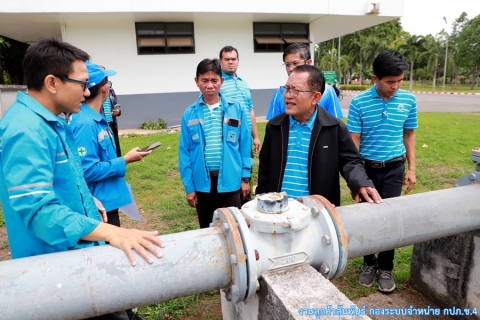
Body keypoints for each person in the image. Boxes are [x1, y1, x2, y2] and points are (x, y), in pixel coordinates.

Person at [0, 37, 164, 319]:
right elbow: (40, 212)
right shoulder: (25, 130)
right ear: (52, 83)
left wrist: (88, 201)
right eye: (82, 84)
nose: (87, 93)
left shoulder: (51, 121)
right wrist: (114, 231)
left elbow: (65, 180)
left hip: (78, 256)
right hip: (56, 271)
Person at [256, 64, 381, 207]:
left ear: (315, 97)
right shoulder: (275, 126)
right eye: (287, 89)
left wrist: (360, 182)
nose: (288, 95)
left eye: (295, 90)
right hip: (279, 209)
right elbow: (265, 170)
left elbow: (350, 161)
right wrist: (261, 200)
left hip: (317, 210)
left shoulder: (334, 128)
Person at [347, 50, 417, 293]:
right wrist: (354, 178)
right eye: (390, 82)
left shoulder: (409, 100)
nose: (395, 86)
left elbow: (409, 133)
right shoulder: (359, 102)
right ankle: (369, 263)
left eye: (399, 81)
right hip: (366, 168)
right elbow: (353, 140)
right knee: (367, 216)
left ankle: (386, 267)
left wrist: (412, 168)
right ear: (375, 78)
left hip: (394, 168)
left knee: (391, 216)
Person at [69, 62, 153, 228]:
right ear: (103, 88)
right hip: (98, 206)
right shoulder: (85, 124)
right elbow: (85, 170)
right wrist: (125, 160)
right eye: (108, 82)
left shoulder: (95, 118)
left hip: (106, 200)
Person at [179, 58, 253, 228]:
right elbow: (185, 152)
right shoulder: (189, 114)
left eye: (214, 80)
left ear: (222, 81)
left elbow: (245, 145)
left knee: (234, 229)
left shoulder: (236, 109)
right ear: (196, 81)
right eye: (204, 80)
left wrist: (245, 178)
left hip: (231, 182)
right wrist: (190, 187)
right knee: (207, 229)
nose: (210, 85)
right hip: (202, 186)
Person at [219, 45, 260, 203]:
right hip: (227, 139)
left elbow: (250, 111)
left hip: (245, 140)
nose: (230, 62)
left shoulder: (244, 83)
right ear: (220, 61)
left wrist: (255, 136)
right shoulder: (218, 84)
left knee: (246, 168)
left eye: (233, 59)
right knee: (230, 171)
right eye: (227, 59)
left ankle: (245, 201)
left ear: (238, 61)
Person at [266, 43, 343, 120]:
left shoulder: (328, 91)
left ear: (308, 63)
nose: (291, 68)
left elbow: (335, 124)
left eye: (295, 63)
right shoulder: (279, 93)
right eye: (287, 64)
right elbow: (274, 125)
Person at [101, 76, 122, 157]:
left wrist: (118, 111)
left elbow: (116, 105)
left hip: (112, 124)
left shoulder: (111, 90)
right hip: (103, 126)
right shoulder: (96, 93)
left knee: (116, 148)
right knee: (107, 149)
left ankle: (119, 165)